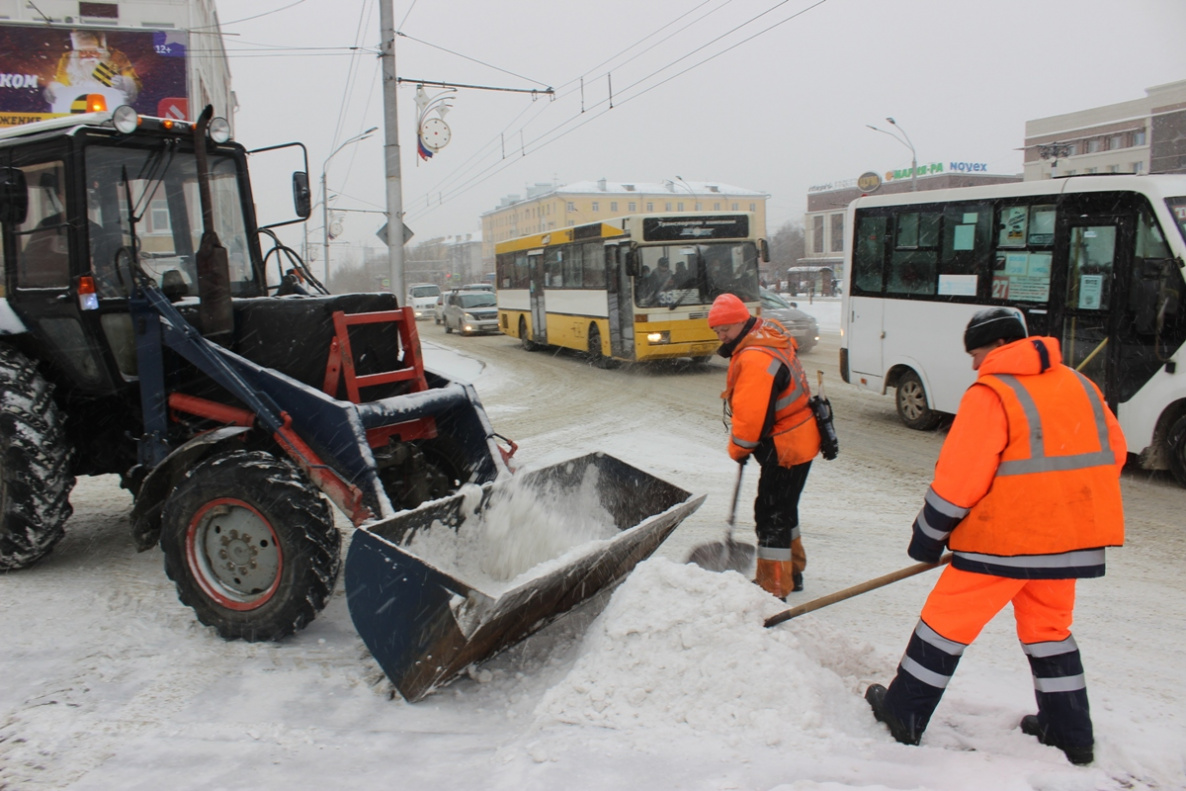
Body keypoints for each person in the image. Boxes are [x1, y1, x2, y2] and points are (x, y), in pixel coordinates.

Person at [864, 308, 1126, 766]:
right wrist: (1058, 505)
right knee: (1049, 633)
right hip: (1067, 539)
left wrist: (928, 536)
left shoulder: (992, 393)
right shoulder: (1079, 384)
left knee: (945, 624)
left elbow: (959, 480)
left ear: (1000, 345)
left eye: (976, 352)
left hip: (1004, 542)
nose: (973, 364)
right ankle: (1070, 733)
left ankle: (904, 714)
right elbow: (1114, 453)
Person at [708, 293, 820, 598]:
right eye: (717, 332)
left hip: (786, 446)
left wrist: (739, 449)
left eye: (726, 330)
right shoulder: (767, 332)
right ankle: (793, 571)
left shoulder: (756, 358)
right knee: (785, 508)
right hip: (801, 437)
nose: (722, 337)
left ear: (742, 322)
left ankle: (773, 587)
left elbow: (751, 418)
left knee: (770, 513)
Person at [44, 30, 142, 114]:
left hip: (111, 111)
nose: (89, 56)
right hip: (74, 111)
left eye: (93, 52)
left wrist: (125, 84)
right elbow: (61, 83)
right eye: (83, 52)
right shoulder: (68, 59)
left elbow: (135, 86)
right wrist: (53, 90)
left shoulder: (116, 57)